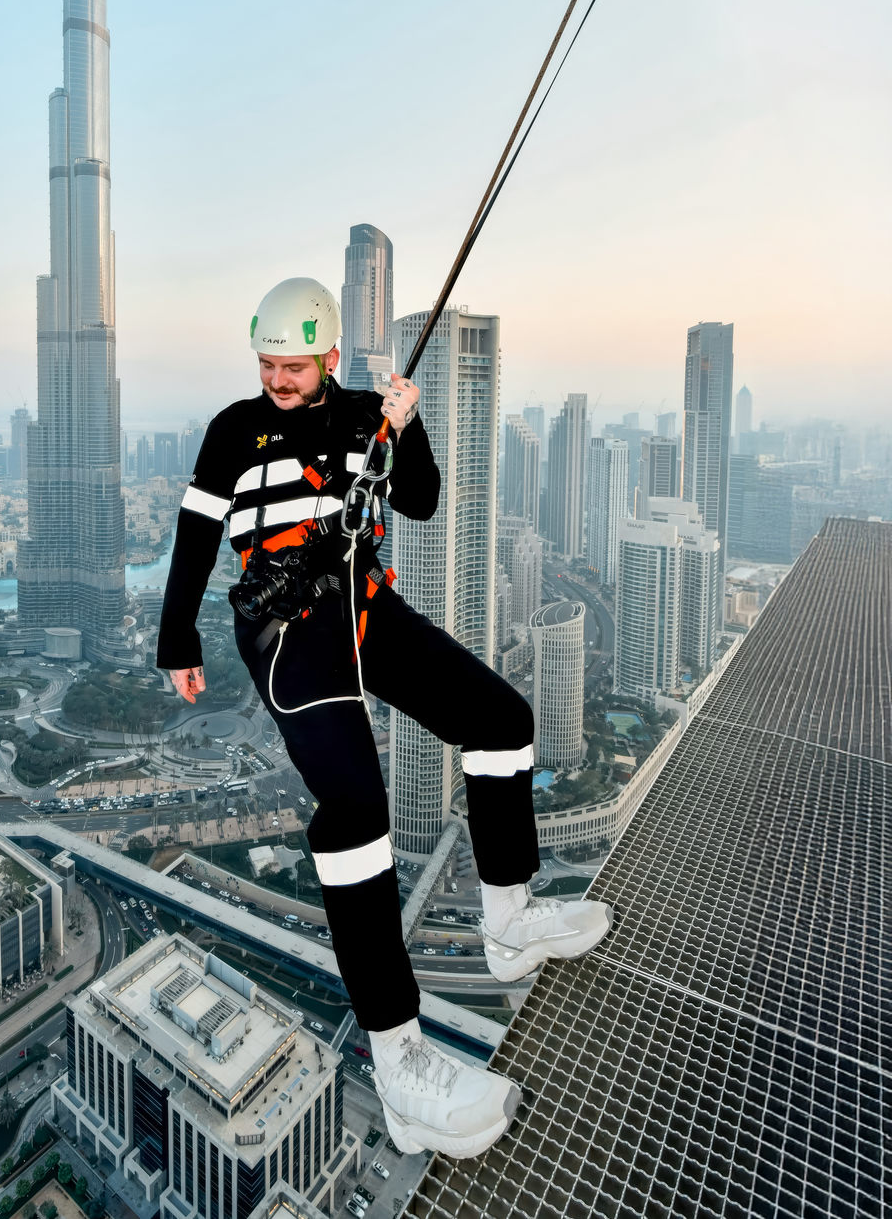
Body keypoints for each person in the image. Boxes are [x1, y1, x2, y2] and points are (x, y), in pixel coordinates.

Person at [157, 277, 611, 1159]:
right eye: (266, 364)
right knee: (359, 810)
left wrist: (406, 427)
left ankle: (509, 917)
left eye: (293, 365)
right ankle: (400, 1063)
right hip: (288, 629)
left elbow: (422, 503)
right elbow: (195, 537)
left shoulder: (368, 411)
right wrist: (179, 640)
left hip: (364, 607)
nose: (278, 379)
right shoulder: (231, 433)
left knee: (502, 718)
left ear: (329, 357)